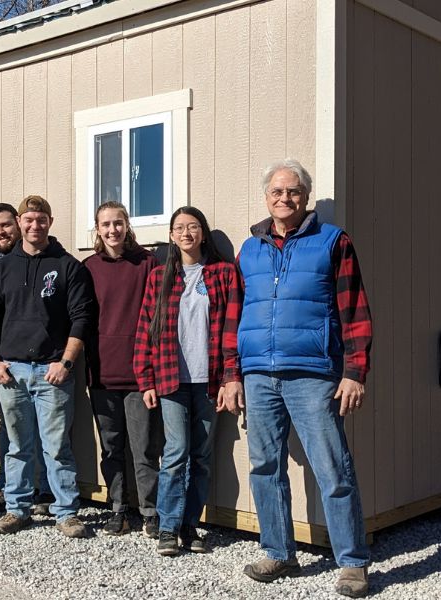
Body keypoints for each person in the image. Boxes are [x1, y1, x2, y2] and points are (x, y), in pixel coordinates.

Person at [236, 159, 372, 598]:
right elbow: (235, 316)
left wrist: (355, 371)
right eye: (277, 192)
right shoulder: (249, 249)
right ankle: (278, 551)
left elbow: (354, 311)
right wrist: (231, 375)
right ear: (266, 197)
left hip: (314, 375)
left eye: (293, 192)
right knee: (265, 465)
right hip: (257, 374)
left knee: (332, 468)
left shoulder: (333, 241)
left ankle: (351, 563)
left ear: (306, 197)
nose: (284, 198)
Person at [0, 195, 95, 538]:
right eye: (28, 219)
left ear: (50, 221)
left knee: (57, 446)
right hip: (11, 372)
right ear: (19, 221)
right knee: (18, 446)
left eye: (40, 219)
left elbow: (82, 319)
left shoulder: (67, 265)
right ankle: (17, 509)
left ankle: (66, 513)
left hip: (52, 373)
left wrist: (66, 362)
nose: (34, 225)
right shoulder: (2, 268)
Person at [133, 206, 243, 556]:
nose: (186, 233)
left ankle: (190, 525)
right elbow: (145, 332)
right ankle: (168, 527)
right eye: (179, 227)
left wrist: (230, 377)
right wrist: (146, 380)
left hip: (209, 380)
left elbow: (232, 329)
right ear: (171, 235)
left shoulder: (224, 274)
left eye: (192, 227)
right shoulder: (159, 277)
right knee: (176, 452)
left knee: (202, 456)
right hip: (170, 379)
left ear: (203, 232)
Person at [82, 201, 162, 537]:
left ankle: (150, 511)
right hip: (101, 372)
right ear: (97, 229)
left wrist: (152, 371)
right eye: (106, 224)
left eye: (118, 223)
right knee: (112, 447)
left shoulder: (147, 264)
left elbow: (158, 319)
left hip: (140, 375)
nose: (112, 230)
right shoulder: (88, 267)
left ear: (127, 226)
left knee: (143, 448)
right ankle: (118, 507)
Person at [0, 203, 54, 514]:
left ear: (17, 224)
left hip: (42, 360)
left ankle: (45, 490)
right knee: (11, 426)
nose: (1, 231)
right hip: (2, 364)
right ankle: (8, 487)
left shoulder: (42, 259)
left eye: (6, 225)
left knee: (46, 428)